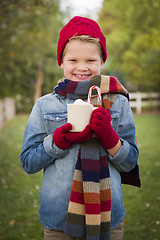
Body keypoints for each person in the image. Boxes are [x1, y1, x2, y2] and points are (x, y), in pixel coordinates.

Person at [20, 16, 140, 240]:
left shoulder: (117, 103)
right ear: (61, 62)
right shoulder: (45, 105)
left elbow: (130, 162)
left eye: (91, 60)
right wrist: (57, 143)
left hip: (108, 219)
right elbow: (28, 162)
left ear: (102, 62)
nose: (82, 67)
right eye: (73, 59)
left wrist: (109, 138)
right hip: (59, 222)